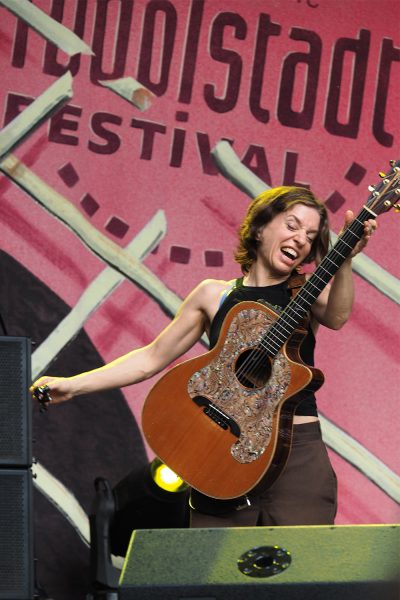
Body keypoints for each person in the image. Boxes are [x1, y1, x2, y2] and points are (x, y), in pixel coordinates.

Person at [30, 185, 377, 528]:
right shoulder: (213, 295)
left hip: (296, 458)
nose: (301, 238)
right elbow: (150, 358)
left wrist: (344, 259)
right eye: (292, 224)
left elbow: (337, 316)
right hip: (219, 451)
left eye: (310, 235)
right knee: (217, 576)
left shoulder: (308, 293)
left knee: (303, 574)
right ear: (259, 228)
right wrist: (73, 385)